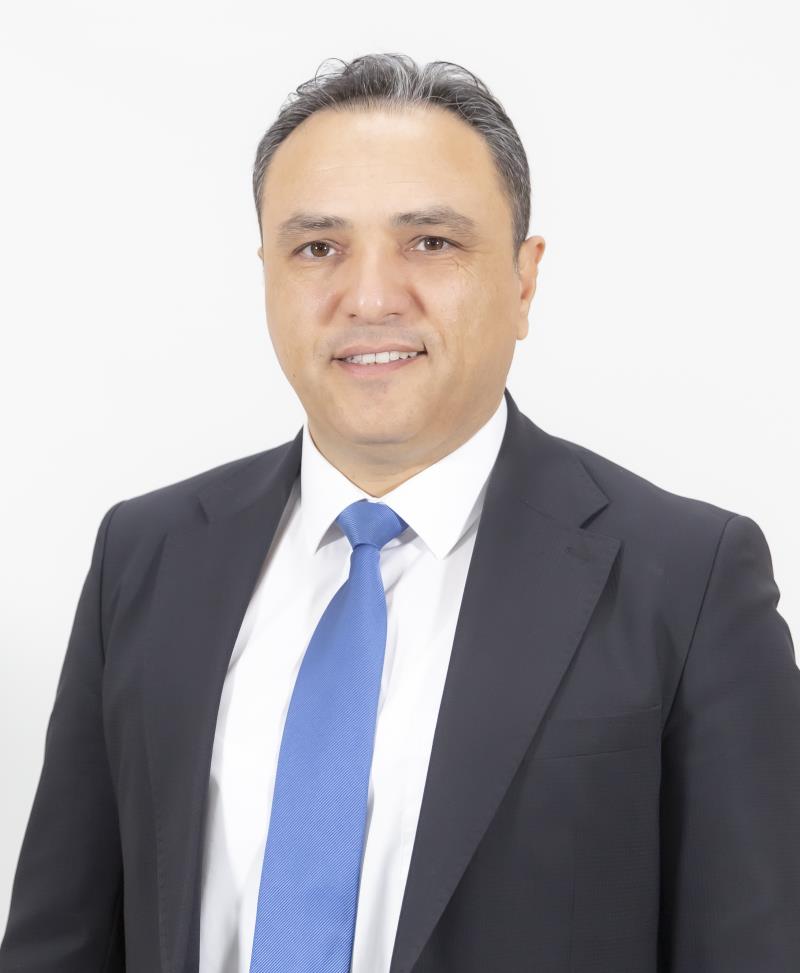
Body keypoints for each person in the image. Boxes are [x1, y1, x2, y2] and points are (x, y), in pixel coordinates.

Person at [1, 52, 798, 973]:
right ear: (267, 276)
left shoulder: (690, 582)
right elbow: (58, 943)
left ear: (524, 280)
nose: (371, 297)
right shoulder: (148, 554)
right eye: (318, 248)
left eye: (430, 242)